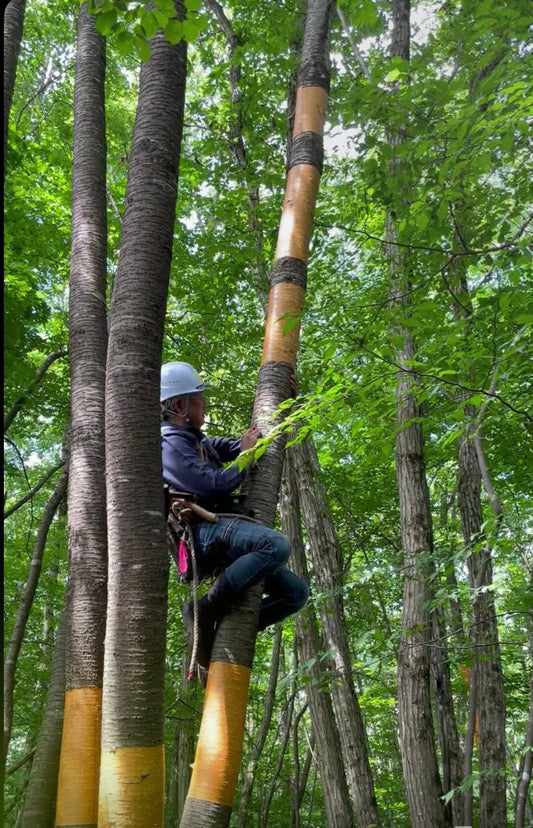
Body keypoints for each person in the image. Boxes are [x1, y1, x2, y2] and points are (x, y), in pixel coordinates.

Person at [160, 361, 309, 669]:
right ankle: (206, 610)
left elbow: (254, 441)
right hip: (201, 535)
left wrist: (286, 407)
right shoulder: (169, 445)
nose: (205, 406)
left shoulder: (198, 442)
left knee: (296, 594)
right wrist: (244, 457)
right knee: (276, 546)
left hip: (220, 532)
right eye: (200, 401)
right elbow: (214, 485)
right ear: (179, 404)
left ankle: (217, 634)